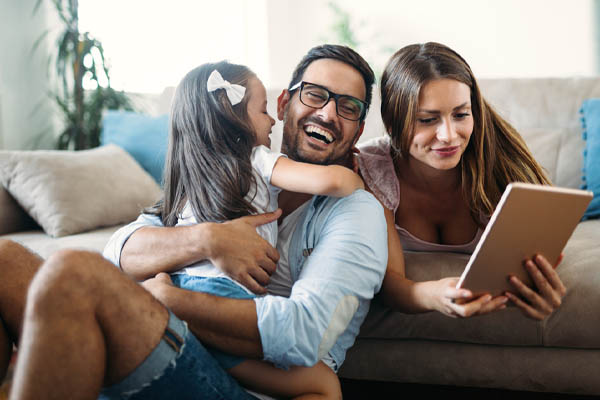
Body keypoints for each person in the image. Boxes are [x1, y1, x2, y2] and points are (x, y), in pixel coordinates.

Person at [0, 44, 387, 400]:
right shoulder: (230, 178)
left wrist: (170, 301)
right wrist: (206, 240)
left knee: (73, 270)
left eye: (349, 107)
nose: (328, 113)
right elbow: (120, 250)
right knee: (5, 260)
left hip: (235, 382)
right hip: (163, 343)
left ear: (358, 130)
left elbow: (307, 334)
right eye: (315, 95)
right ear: (284, 103)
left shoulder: (354, 211)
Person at [150, 60, 363, 399]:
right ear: (235, 119)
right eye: (264, 110)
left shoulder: (190, 172)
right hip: (222, 295)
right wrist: (357, 176)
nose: (273, 120)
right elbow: (333, 181)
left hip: (184, 279)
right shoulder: (256, 159)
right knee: (322, 384)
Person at [357, 42, 566, 320]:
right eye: (427, 119)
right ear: (393, 124)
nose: (449, 135)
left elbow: (538, 258)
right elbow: (390, 283)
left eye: (461, 114)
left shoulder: (501, 163)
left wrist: (540, 291)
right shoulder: (372, 170)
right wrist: (435, 295)